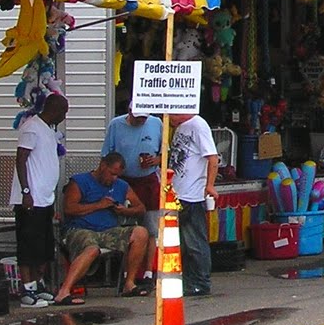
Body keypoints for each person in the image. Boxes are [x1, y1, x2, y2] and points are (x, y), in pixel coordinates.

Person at [50, 153, 153, 305]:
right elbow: (69, 209)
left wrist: (124, 211)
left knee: (141, 233)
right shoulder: (80, 181)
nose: (114, 178)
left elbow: (140, 208)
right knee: (92, 249)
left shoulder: (121, 185)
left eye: (117, 175)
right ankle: (64, 291)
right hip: (80, 229)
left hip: (108, 230)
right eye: (112, 173)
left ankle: (129, 283)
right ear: (103, 166)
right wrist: (99, 205)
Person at [11, 93, 67, 307]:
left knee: (43, 247)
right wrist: (26, 191)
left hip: (45, 199)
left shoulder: (48, 130)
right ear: (54, 109)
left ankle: (38, 285)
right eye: (64, 112)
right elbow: (21, 159)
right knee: (28, 246)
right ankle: (27, 290)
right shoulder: (31, 128)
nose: (64, 117)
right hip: (30, 199)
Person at [167, 111, 219, 296]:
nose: (169, 118)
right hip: (178, 192)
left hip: (192, 195)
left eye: (172, 114)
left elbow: (212, 158)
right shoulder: (180, 127)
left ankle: (200, 282)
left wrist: (209, 185)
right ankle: (188, 281)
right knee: (181, 242)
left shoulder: (198, 125)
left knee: (194, 242)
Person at [103, 101, 163, 236]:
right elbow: (106, 155)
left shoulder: (157, 123)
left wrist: (157, 160)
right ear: (129, 112)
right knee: (123, 225)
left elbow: (165, 152)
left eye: (144, 117)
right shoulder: (116, 124)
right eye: (138, 117)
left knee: (153, 228)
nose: (141, 120)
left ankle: (152, 248)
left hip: (149, 181)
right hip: (123, 181)